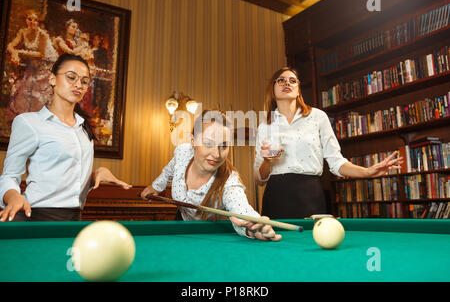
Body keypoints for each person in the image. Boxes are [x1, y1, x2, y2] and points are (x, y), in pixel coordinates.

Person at [254, 67, 403, 219]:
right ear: (273, 89)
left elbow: (336, 162)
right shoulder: (264, 126)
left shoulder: (318, 117)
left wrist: (367, 172)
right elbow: (259, 179)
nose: (287, 83)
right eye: (281, 80)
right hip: (275, 197)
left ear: (298, 90)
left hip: (310, 196)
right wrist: (267, 160)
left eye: (292, 81)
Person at [0, 53, 131, 222]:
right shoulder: (29, 122)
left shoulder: (84, 129)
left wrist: (96, 174)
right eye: (71, 77)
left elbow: (67, 177)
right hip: (36, 216)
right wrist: (12, 196)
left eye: (84, 81)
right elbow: (9, 176)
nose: (79, 85)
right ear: (52, 79)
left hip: (75, 217)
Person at [141, 110, 282, 241]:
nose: (217, 154)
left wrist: (254, 227)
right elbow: (170, 170)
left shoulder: (230, 181)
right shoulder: (183, 152)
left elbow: (242, 210)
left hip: (211, 236)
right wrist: (156, 186)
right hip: (181, 223)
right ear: (193, 141)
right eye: (208, 143)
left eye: (224, 146)